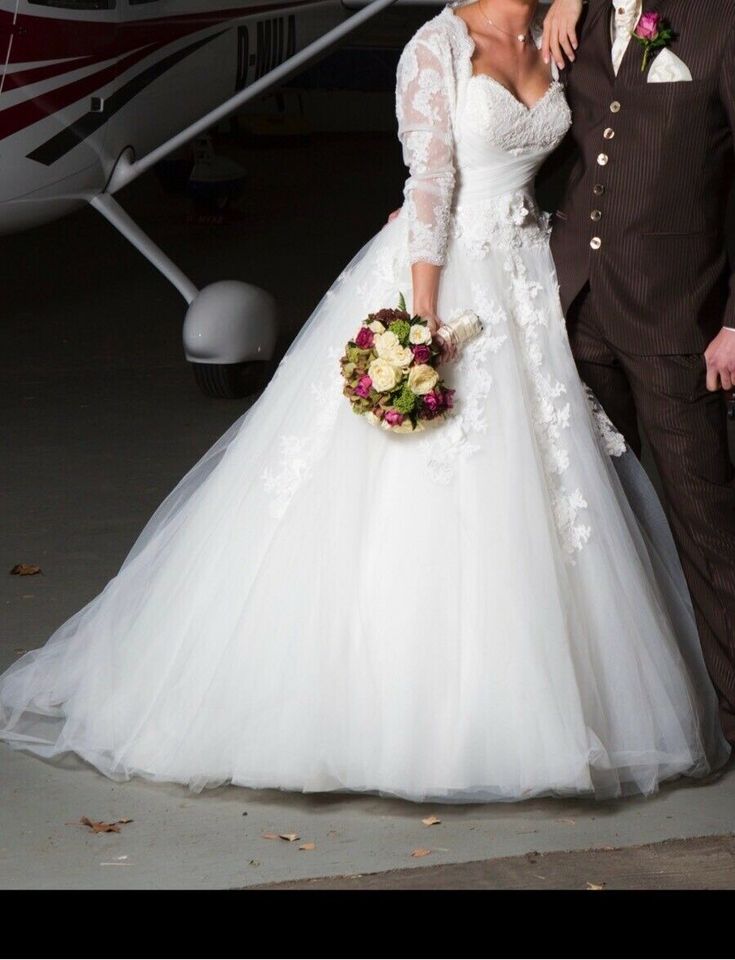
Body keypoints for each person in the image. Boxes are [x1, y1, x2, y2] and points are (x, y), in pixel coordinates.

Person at [0, 0, 728, 803]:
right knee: (421, 494)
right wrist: (420, 323)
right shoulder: (435, 46)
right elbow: (431, 183)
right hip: (446, 278)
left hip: (532, 283)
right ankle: (401, 720)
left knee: (542, 500)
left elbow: (595, 147)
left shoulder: (564, 30)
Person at [541, 0, 735, 747]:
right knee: (596, 523)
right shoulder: (576, 18)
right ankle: (630, 718)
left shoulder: (719, 20)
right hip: (577, 310)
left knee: (706, 523)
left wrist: (732, 320)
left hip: (675, 316)